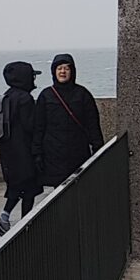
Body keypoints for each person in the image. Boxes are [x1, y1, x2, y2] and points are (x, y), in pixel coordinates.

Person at [32, 53, 104, 189]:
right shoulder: (46, 95)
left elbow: (92, 123)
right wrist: (37, 153)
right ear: (54, 71)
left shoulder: (83, 94)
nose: (63, 72)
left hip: (78, 151)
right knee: (58, 190)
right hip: (52, 152)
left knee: (80, 188)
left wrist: (98, 147)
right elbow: (39, 126)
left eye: (66, 68)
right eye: (59, 68)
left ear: (73, 71)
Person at [0, 59, 42, 234]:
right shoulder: (25, 99)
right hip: (25, 151)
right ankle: (24, 223)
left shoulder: (6, 97)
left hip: (8, 151)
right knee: (30, 188)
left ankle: (5, 216)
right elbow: (31, 126)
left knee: (16, 186)